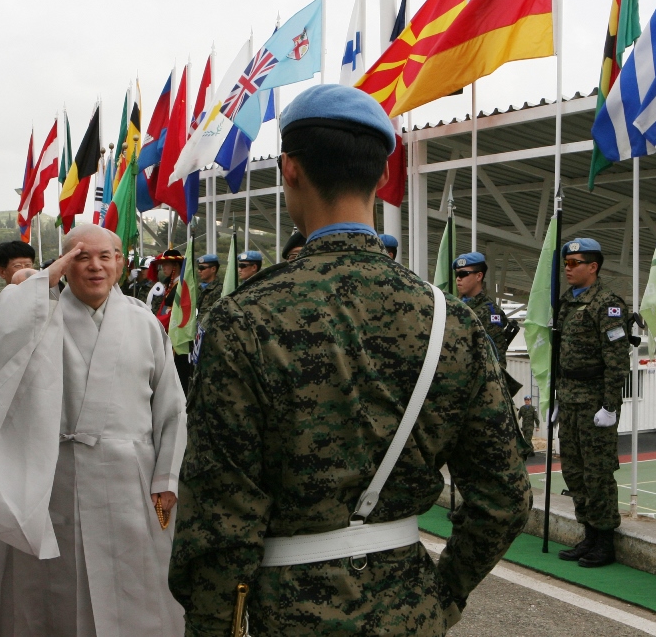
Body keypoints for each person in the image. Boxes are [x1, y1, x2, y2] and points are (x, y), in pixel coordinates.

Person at [170, 84, 531, 636]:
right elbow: (504, 498)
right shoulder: (449, 320)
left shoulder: (244, 318)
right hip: (409, 608)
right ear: (383, 176)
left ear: (289, 168)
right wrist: (442, 595)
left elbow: (221, 518)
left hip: (285, 612)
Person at [0, 224, 186, 636]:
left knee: (135, 587)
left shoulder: (144, 323)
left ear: (121, 263)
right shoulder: (38, 314)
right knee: (51, 592)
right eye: (80, 257)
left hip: (132, 479)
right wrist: (38, 286)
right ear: (63, 265)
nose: (94, 266)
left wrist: (166, 476)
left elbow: (172, 407)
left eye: (105, 256)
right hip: (53, 477)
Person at [556, 237, 630, 568]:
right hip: (569, 398)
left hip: (595, 400)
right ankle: (588, 534)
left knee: (598, 472)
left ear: (593, 267)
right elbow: (561, 356)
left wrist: (610, 406)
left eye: (574, 264)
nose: (568, 269)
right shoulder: (566, 302)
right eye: (566, 263)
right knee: (574, 469)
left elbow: (616, 359)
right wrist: (557, 396)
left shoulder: (607, 303)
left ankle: (604, 540)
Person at [453, 252, 523, 397]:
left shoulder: (489, 312)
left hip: (478, 389)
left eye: (464, 274)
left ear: (479, 276)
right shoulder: (454, 307)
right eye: (457, 274)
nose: (458, 278)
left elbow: (497, 356)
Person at [147, 249, 183, 329]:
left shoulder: (181, 286)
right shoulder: (171, 284)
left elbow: (174, 313)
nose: (163, 268)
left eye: (166, 264)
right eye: (162, 265)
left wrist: (156, 324)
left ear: (176, 265)